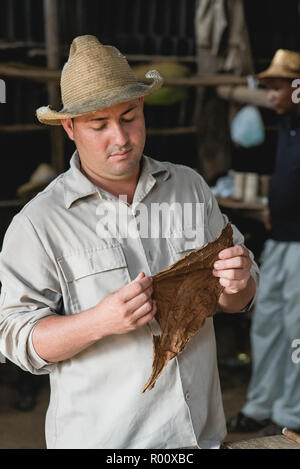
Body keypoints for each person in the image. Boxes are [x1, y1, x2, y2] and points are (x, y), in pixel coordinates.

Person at [0, 35, 258, 449]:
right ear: (69, 126)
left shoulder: (189, 188)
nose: (120, 137)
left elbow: (235, 299)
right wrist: (99, 321)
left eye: (129, 116)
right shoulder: (39, 223)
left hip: (202, 439)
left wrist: (239, 280)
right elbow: (17, 338)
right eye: (98, 125)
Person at [227, 49, 300, 436]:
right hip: (281, 239)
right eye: (268, 88)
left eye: (277, 87)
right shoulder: (287, 123)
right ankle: (260, 405)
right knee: (267, 322)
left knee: (297, 330)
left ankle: (292, 415)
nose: (271, 95)